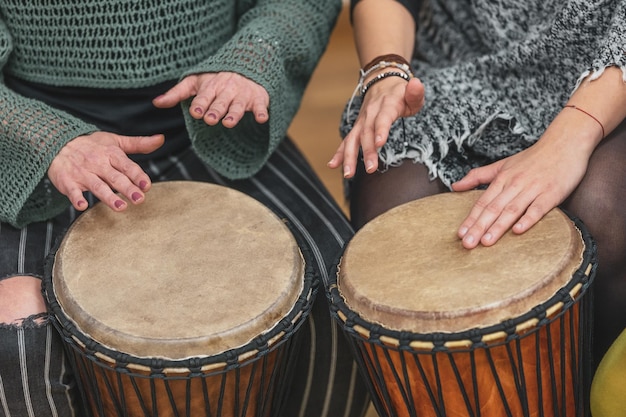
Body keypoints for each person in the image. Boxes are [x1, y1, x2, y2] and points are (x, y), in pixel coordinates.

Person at [0, 1, 370, 416]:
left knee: (339, 291)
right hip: (40, 149)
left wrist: (255, 52)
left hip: (212, 124)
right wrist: (43, 137)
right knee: (15, 332)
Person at [328, 0, 626, 369]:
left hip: (608, 78)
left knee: (601, 214)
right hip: (458, 69)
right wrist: (386, 72)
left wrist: (572, 136)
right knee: (392, 223)